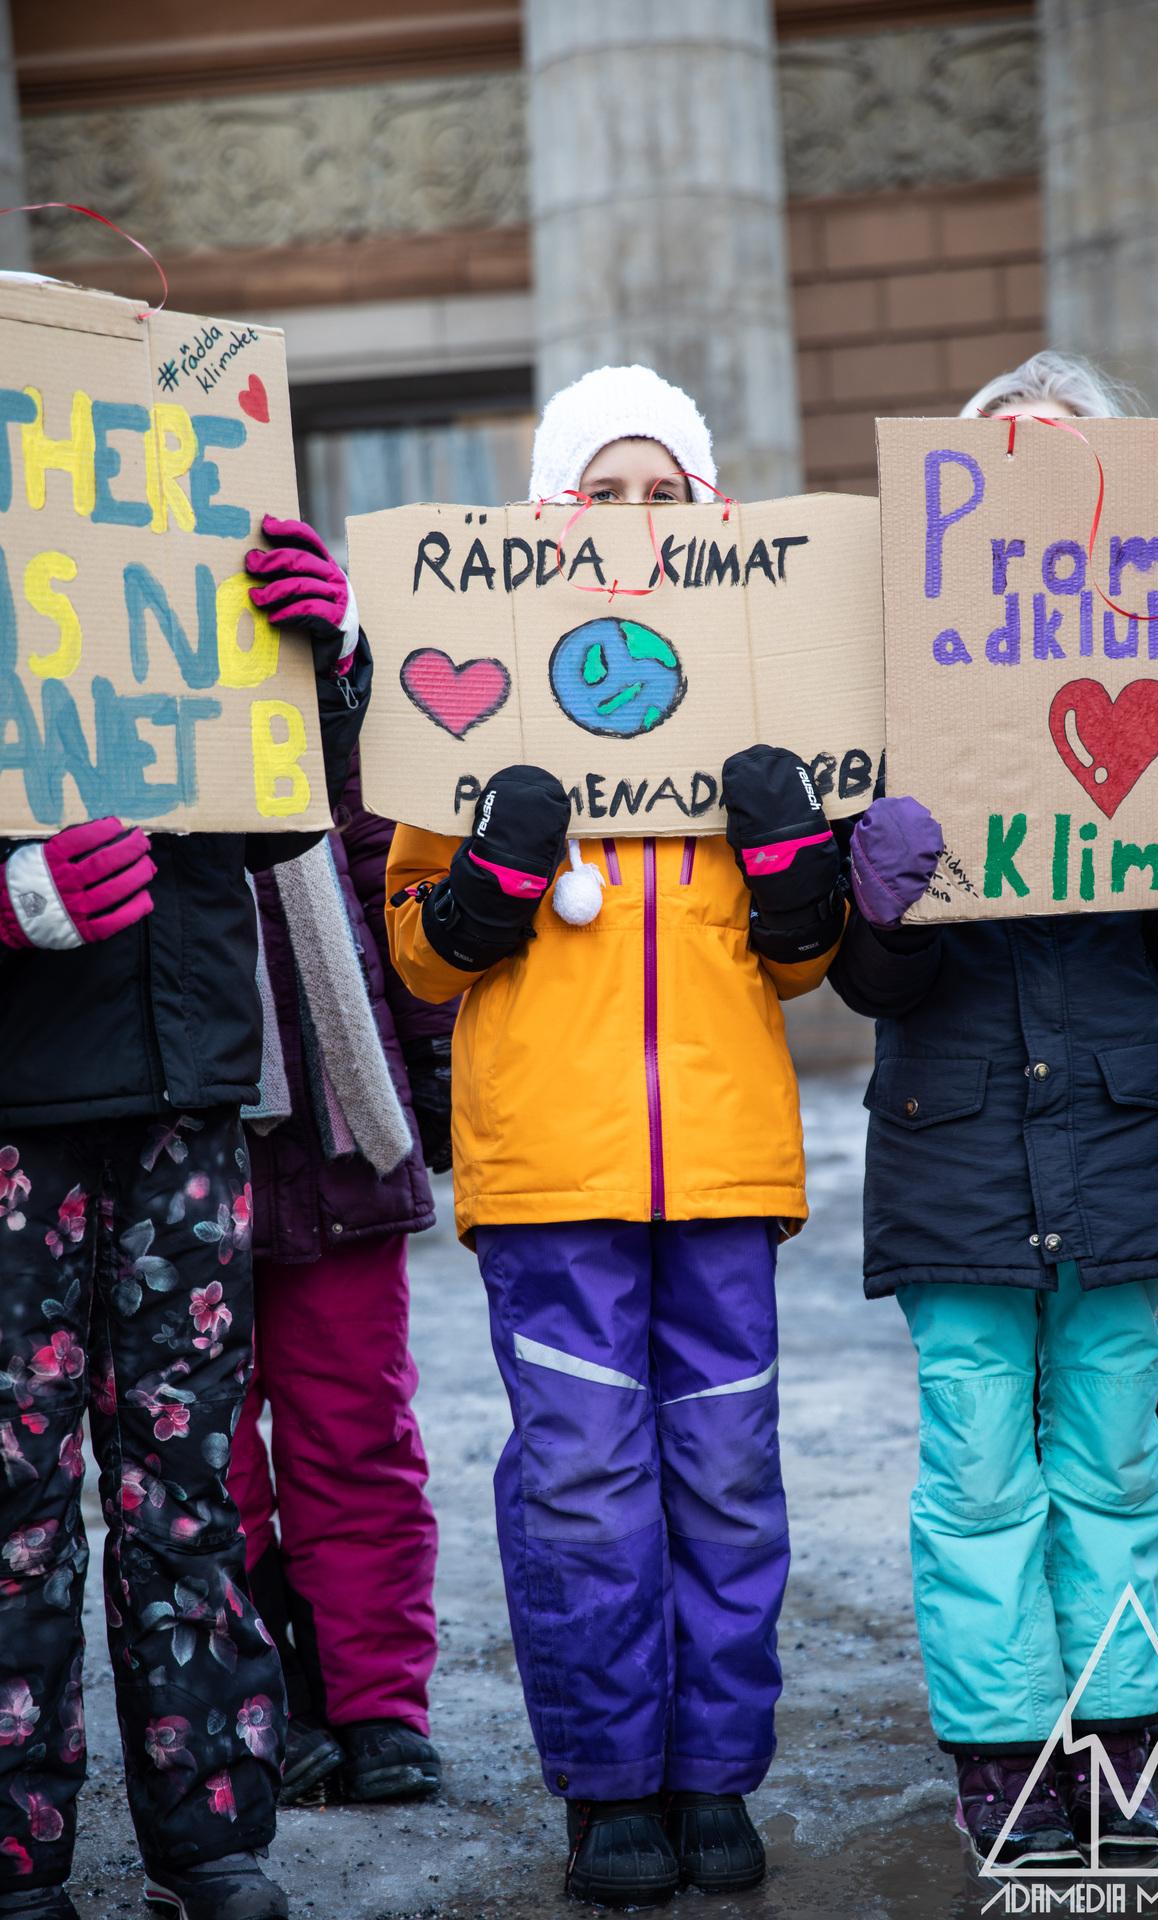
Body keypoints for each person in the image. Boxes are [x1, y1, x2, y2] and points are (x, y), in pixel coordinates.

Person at [386, 364, 848, 1909]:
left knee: (726, 1469)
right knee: (583, 1478)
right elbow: (418, 952)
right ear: (552, 517)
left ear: (708, 515)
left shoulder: (764, 698)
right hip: (551, 1167)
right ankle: (609, 1784)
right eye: (605, 493)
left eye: (665, 494)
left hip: (720, 1161)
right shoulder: (489, 691)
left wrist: (795, 868)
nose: (637, 521)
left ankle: (714, 1772)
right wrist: (486, 883)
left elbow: (799, 965)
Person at [828, 351, 1158, 1870]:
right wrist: (877, 899)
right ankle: (1008, 1754)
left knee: (1115, 1468)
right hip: (955, 1159)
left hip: (1132, 1142)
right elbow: (868, 982)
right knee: (975, 1479)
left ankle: (1123, 1737)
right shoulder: (897, 692)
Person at [0, 514, 368, 1920]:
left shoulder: (189, 535)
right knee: (13, 1495)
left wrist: (317, 666)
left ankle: (213, 1834)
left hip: (186, 1071)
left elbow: (277, 821)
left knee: (187, 1477)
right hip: (16, 1095)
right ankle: (17, 1850)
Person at [227, 761, 451, 1809]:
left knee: (356, 1423)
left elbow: (381, 860)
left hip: (341, 1112)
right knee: (195, 1454)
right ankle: (259, 1688)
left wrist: (438, 1065)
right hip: (167, 1110)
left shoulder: (325, 667)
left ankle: (373, 1702)